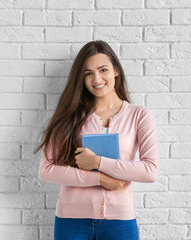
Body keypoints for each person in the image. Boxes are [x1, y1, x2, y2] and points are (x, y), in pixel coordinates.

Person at [34, 40, 160, 240]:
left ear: (116, 71)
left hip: (120, 222)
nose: (97, 78)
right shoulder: (70, 115)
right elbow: (47, 170)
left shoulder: (139, 116)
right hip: (71, 221)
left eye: (103, 70)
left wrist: (97, 163)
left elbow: (150, 171)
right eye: (88, 73)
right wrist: (100, 179)